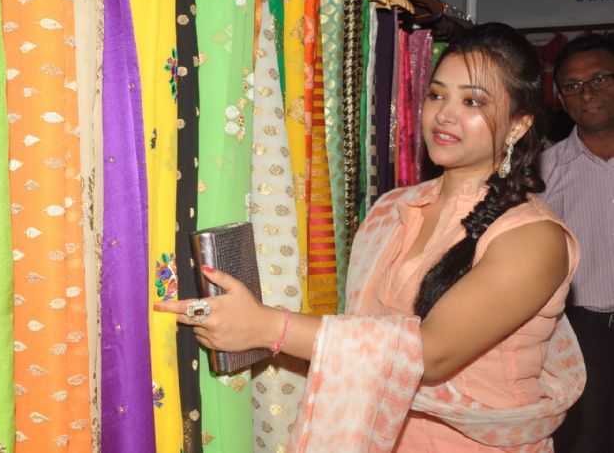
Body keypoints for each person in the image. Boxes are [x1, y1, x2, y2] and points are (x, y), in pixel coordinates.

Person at [156, 23, 585, 452]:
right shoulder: (392, 208)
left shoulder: (534, 239)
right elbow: (360, 328)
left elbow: (432, 353)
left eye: (472, 101)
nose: (444, 114)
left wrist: (267, 327)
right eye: (437, 95)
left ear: (518, 125)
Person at [543, 33, 614, 453]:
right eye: (572, 86)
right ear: (561, 99)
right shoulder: (543, 173)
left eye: (600, 79)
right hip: (578, 334)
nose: (586, 93)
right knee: (583, 442)